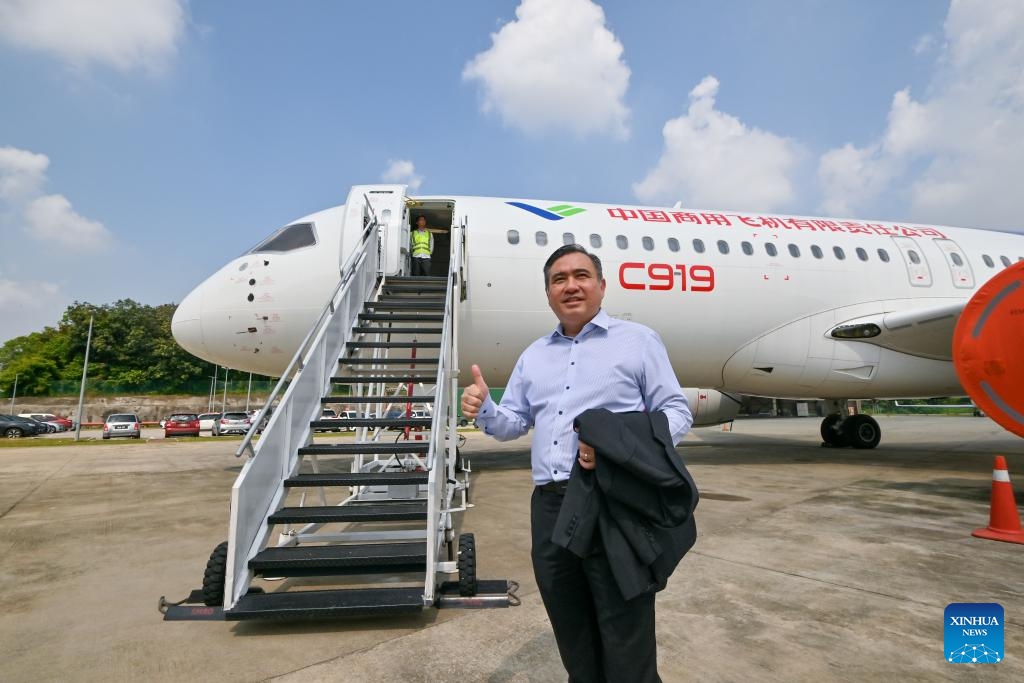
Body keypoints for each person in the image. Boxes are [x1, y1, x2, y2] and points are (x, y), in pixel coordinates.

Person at [461, 244, 694, 682]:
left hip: (611, 501)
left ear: (602, 286)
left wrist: (619, 448)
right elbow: (514, 423)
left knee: (625, 627)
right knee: (570, 626)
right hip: (550, 508)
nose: (571, 285)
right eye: (558, 279)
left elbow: (675, 414)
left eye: (581, 275)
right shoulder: (533, 355)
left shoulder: (638, 341)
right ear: (548, 293)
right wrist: (485, 408)